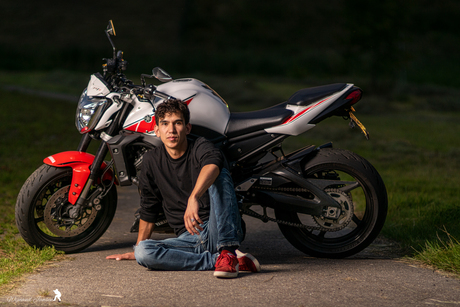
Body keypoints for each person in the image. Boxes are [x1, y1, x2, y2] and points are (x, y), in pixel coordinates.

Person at [106, 98, 260, 278]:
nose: (171, 130)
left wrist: (194, 197)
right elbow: (149, 207)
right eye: (164, 124)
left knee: (219, 173)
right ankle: (222, 260)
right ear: (157, 130)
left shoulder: (201, 146)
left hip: (218, 227)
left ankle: (227, 250)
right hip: (189, 239)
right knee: (143, 252)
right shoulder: (151, 161)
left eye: (177, 123)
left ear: (187, 128)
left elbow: (213, 164)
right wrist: (138, 248)